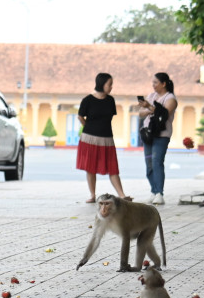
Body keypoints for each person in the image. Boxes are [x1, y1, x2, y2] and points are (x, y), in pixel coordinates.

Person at [76, 72, 130, 203]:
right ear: (101, 84)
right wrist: (88, 128)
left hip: (107, 139)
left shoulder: (110, 100)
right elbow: (80, 116)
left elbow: (108, 118)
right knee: (90, 168)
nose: (111, 87)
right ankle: (92, 195)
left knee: (113, 167)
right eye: (109, 84)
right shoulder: (87, 100)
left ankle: (122, 195)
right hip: (89, 139)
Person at [137, 72, 177, 205]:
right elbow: (141, 113)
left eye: (155, 82)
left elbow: (165, 113)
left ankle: (160, 193)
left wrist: (149, 107)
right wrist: (149, 109)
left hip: (162, 135)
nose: (153, 85)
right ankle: (153, 191)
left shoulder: (170, 98)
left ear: (163, 84)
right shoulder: (151, 96)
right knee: (148, 163)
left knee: (156, 161)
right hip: (148, 133)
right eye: (152, 83)